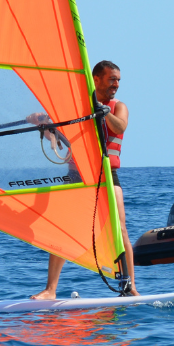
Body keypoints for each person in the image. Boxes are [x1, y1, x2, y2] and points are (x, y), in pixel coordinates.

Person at [31, 60, 139, 298]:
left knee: (120, 228)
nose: (116, 84)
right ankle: (50, 290)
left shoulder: (118, 107)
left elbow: (120, 127)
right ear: (96, 79)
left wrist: (104, 112)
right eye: (112, 79)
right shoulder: (77, 107)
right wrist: (45, 127)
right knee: (63, 227)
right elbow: (48, 124)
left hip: (106, 174)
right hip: (77, 174)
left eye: (118, 80)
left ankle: (130, 287)